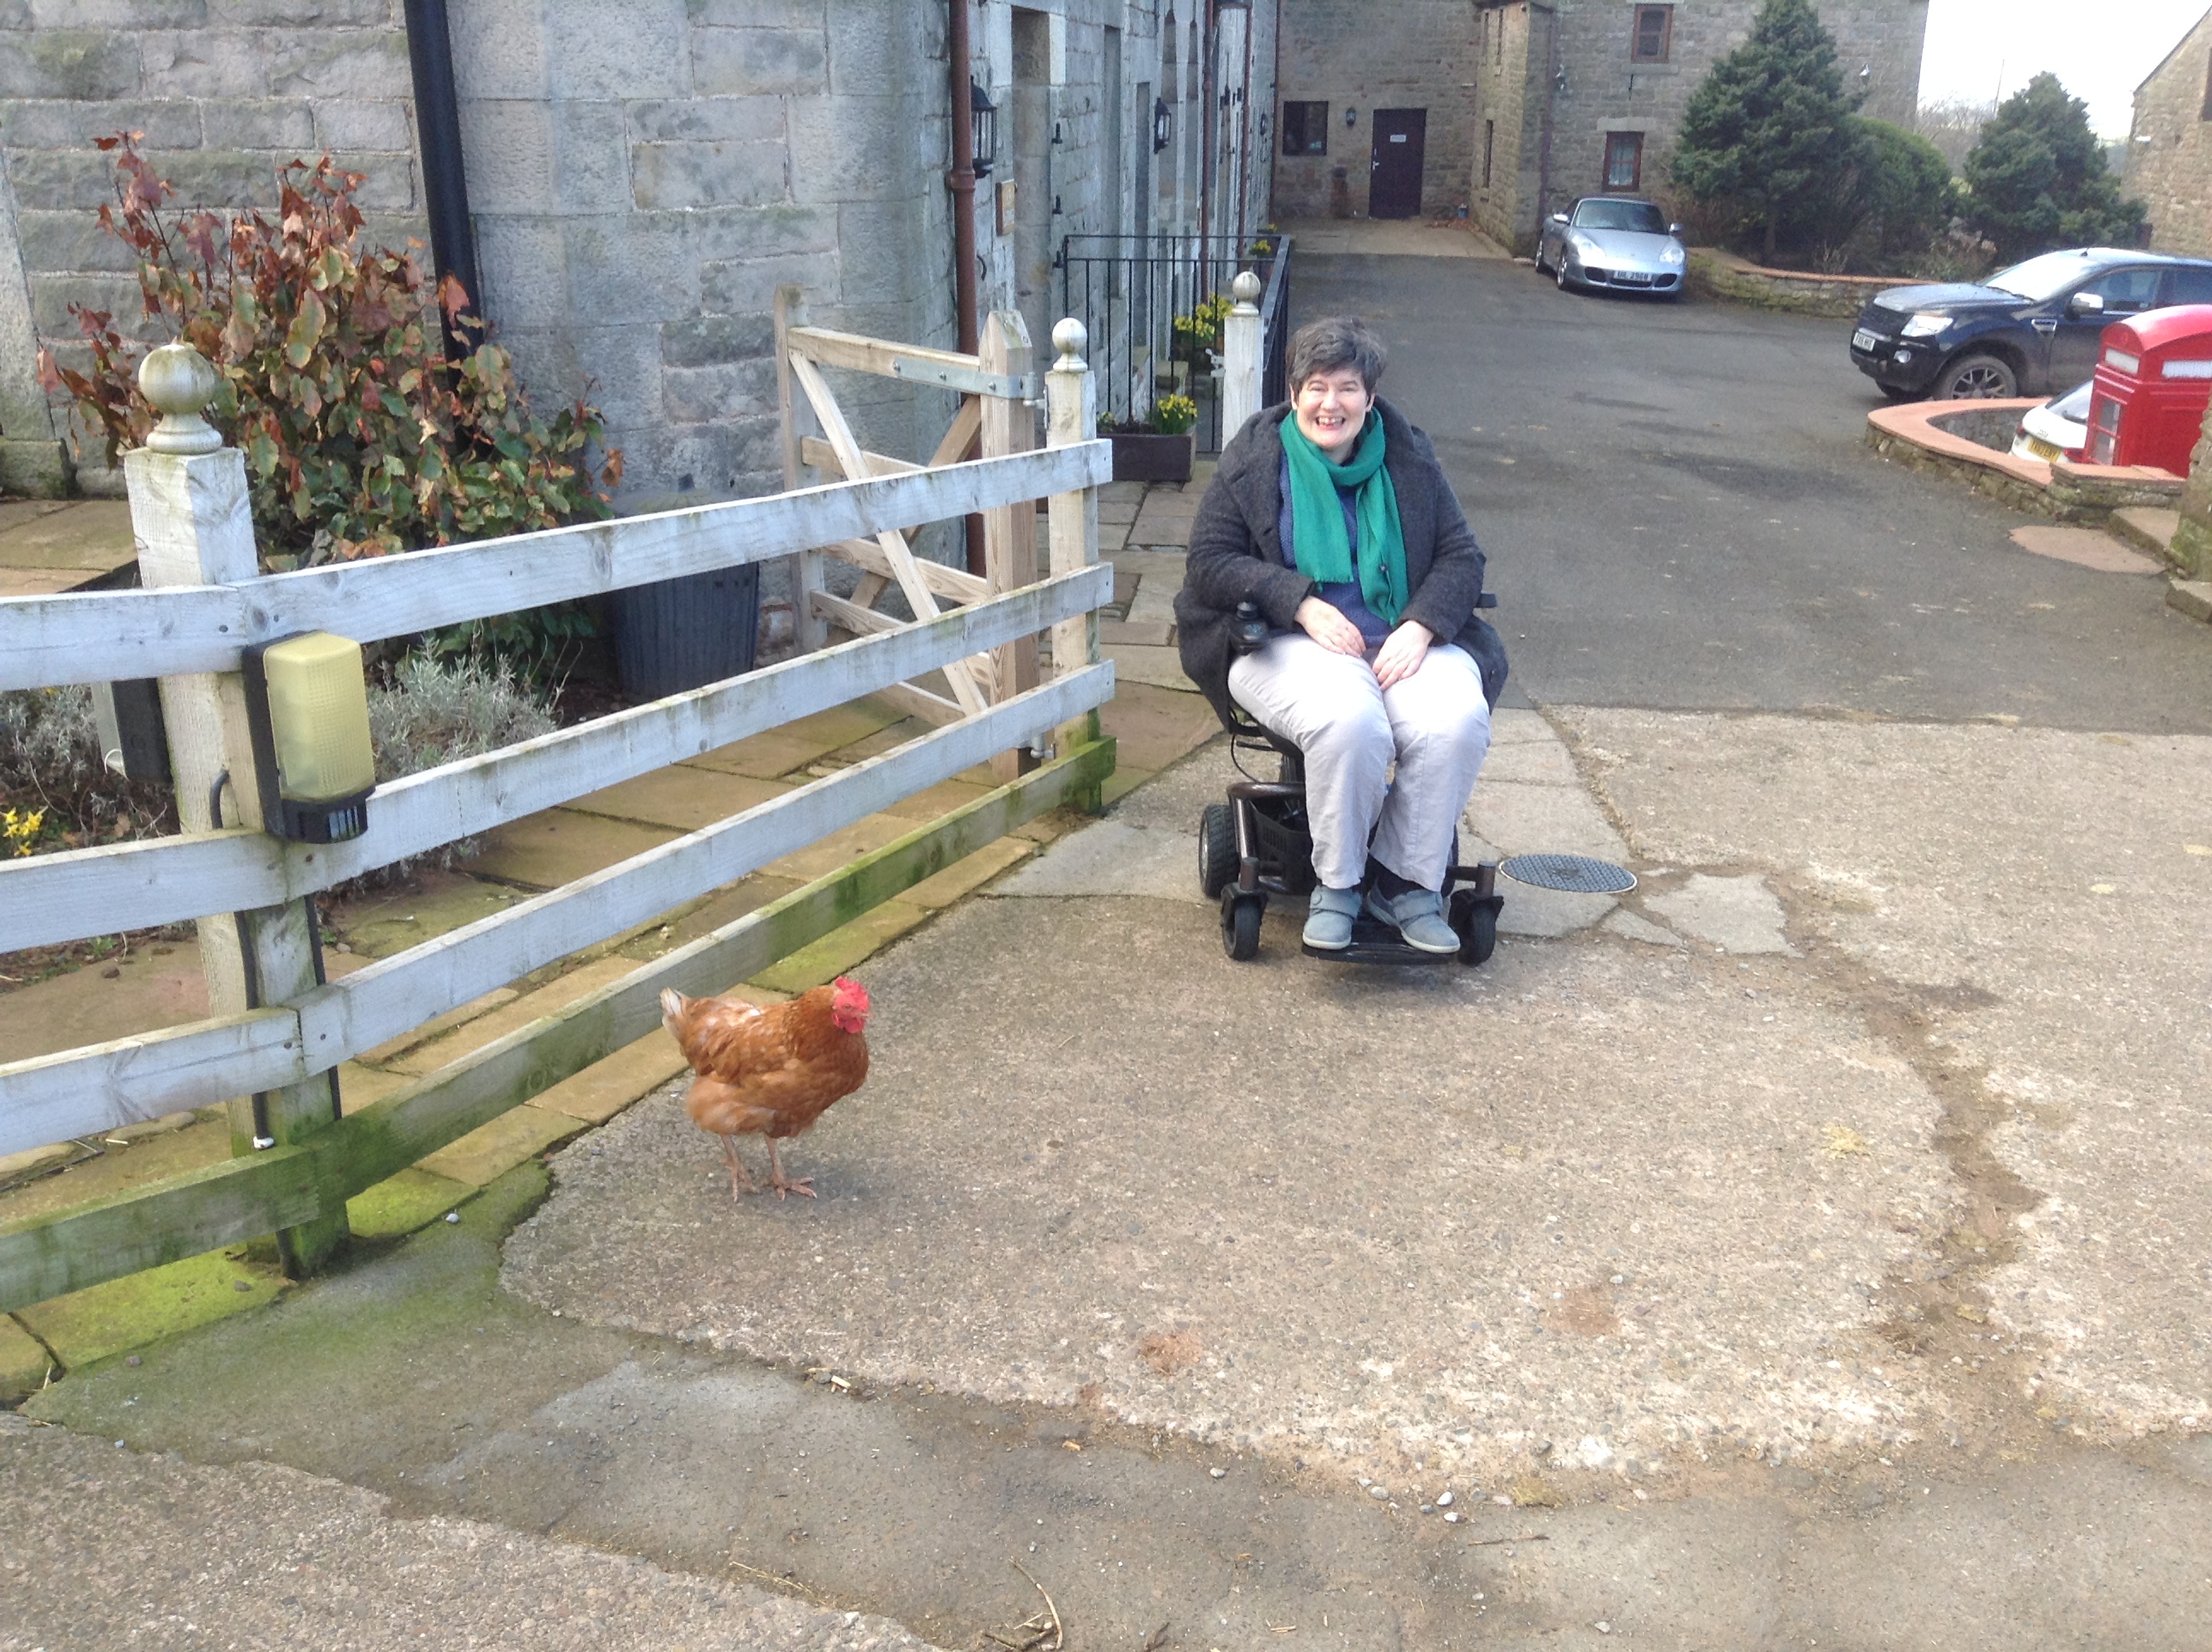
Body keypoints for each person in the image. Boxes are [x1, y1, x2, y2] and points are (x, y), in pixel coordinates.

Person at [1175, 315, 1507, 953]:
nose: (1332, 404)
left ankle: (1405, 884)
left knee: (1455, 721)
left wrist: (1423, 623)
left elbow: (1461, 556)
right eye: (1318, 387)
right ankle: (1339, 885)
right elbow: (1209, 563)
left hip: (1398, 640)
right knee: (1351, 722)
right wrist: (1298, 602)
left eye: (1348, 387)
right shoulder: (1255, 459)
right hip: (1285, 640)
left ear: (1370, 397)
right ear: (1294, 394)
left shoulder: (1408, 457)